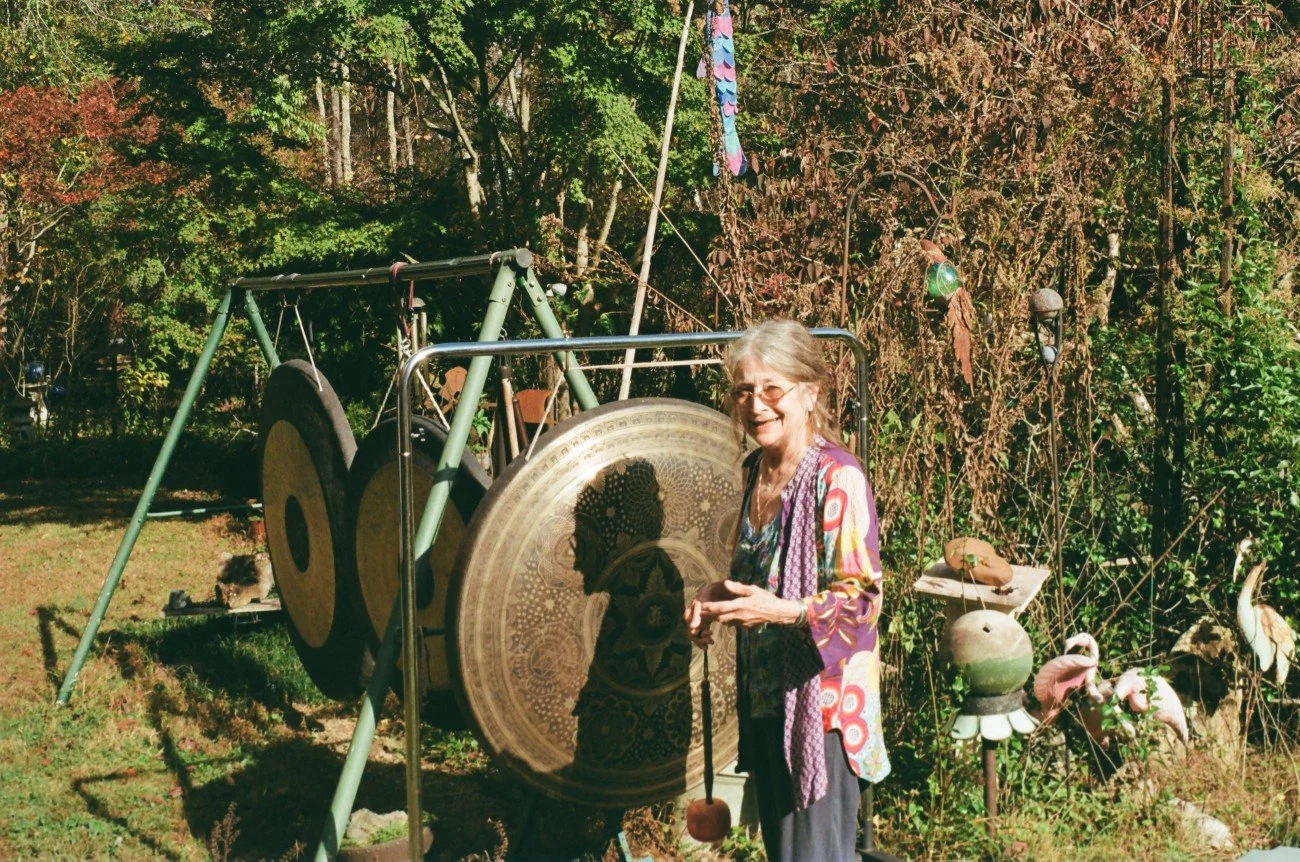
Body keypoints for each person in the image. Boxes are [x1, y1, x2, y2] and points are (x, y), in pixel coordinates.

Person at [684, 319, 890, 862]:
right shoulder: (758, 469)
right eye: (744, 391)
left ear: (810, 392)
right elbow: (759, 570)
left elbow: (863, 602)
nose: (757, 405)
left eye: (772, 388)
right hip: (768, 700)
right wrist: (716, 594)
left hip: (820, 708)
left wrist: (782, 612)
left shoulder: (836, 478)